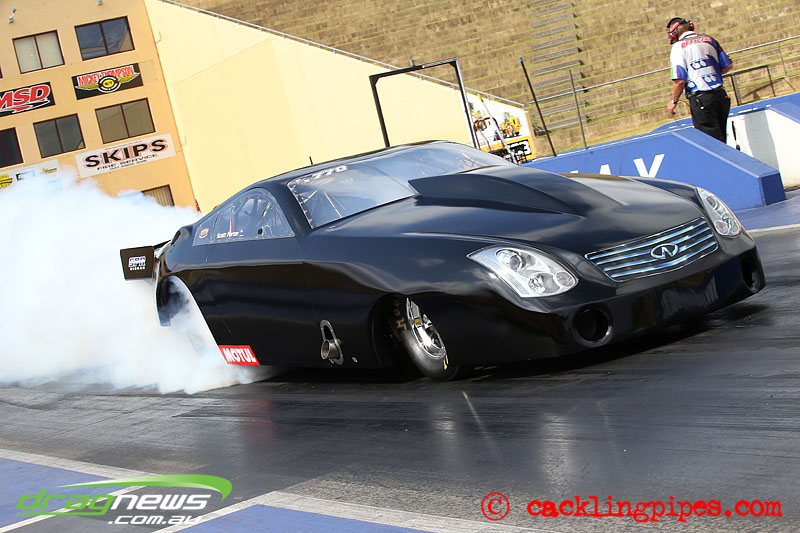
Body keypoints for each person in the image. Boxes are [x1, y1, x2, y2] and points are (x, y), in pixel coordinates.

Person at [665, 17, 733, 142]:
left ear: (674, 33)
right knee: (722, 139)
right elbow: (727, 66)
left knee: (711, 143)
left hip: (701, 100)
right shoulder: (709, 39)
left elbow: (679, 80)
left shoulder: (678, 47)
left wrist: (674, 101)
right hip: (720, 95)